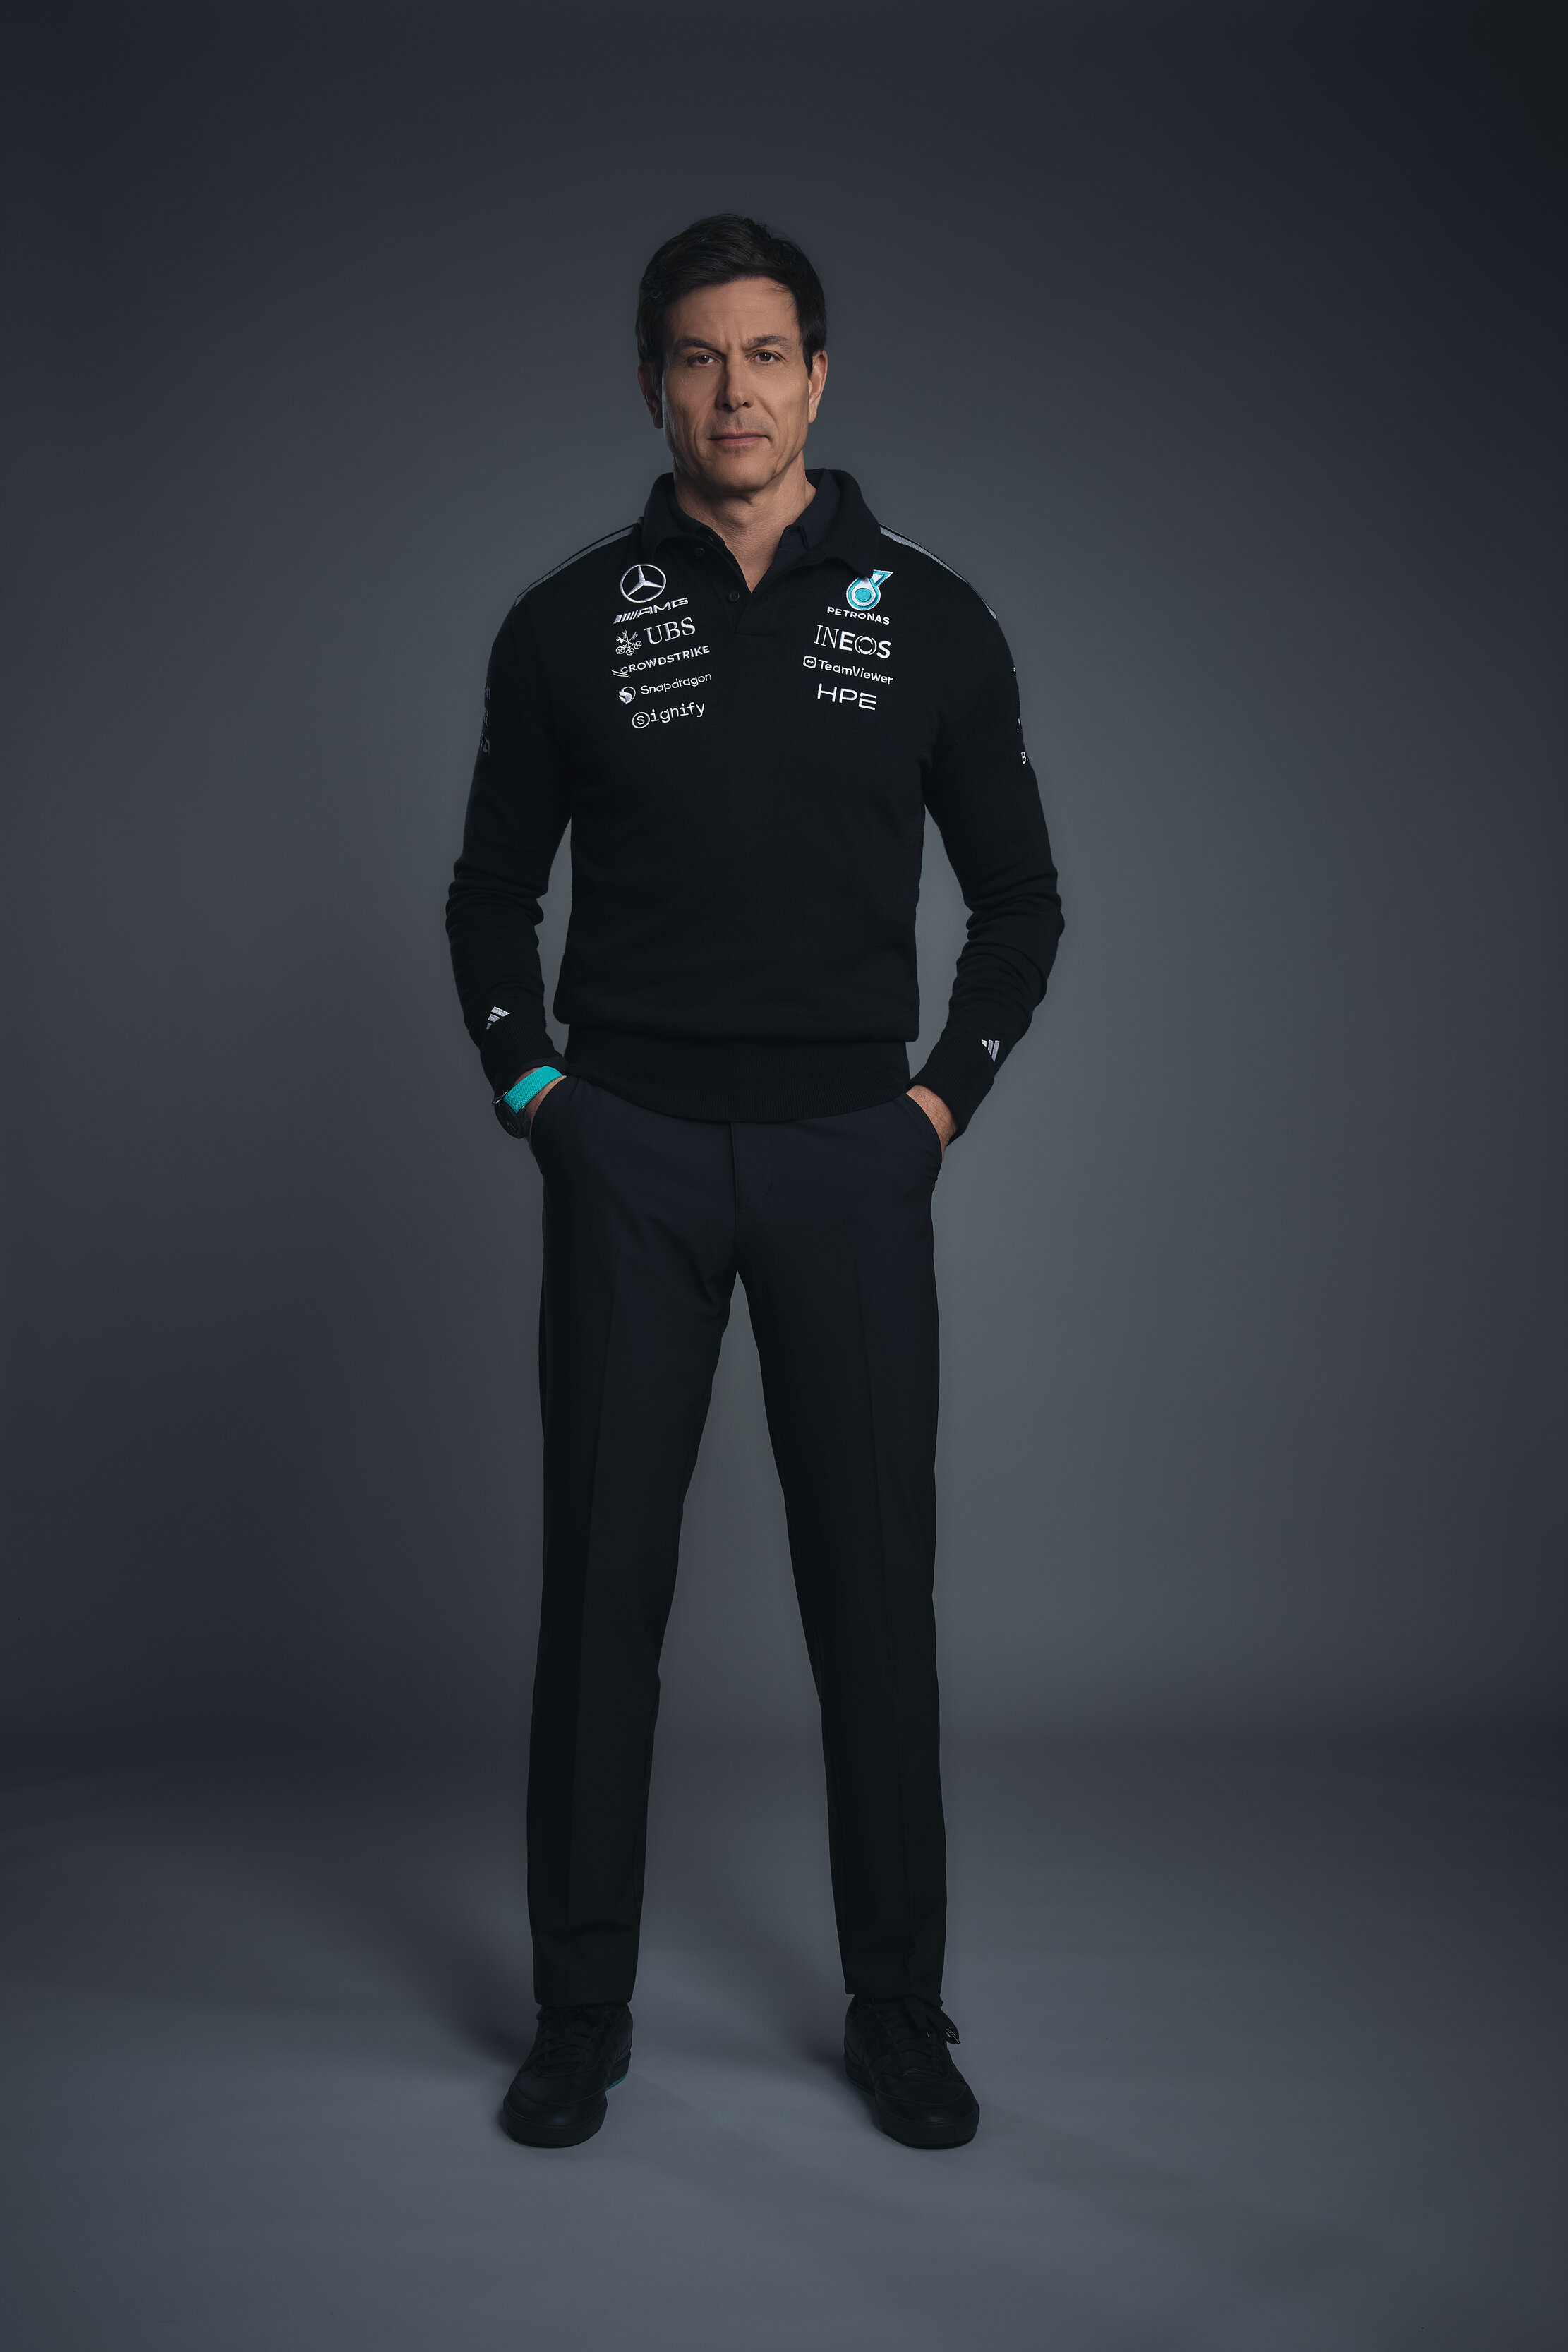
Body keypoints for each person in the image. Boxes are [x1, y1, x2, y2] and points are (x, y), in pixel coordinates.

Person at [445, 214, 1063, 2152]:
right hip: (625, 1152)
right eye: (700, 356)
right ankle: (578, 2012)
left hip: (849, 1164)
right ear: (652, 384)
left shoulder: (932, 617)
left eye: (768, 353)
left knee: (872, 1600)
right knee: (600, 1597)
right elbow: (487, 894)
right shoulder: (566, 624)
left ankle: (898, 2010)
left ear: (820, 376)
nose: (737, 390)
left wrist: (933, 1112)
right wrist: (538, 1091)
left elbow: (1022, 905)